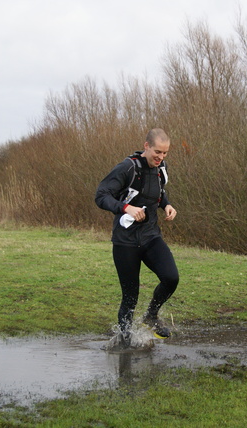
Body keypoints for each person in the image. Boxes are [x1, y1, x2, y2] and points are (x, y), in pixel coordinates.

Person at [95, 128, 179, 345]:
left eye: (165, 153)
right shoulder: (127, 168)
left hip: (151, 237)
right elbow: (101, 195)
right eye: (157, 152)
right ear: (146, 146)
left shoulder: (161, 169)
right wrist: (125, 208)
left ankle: (151, 315)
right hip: (125, 242)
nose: (160, 157)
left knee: (171, 278)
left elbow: (158, 192)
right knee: (130, 297)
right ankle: (124, 341)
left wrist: (166, 205)